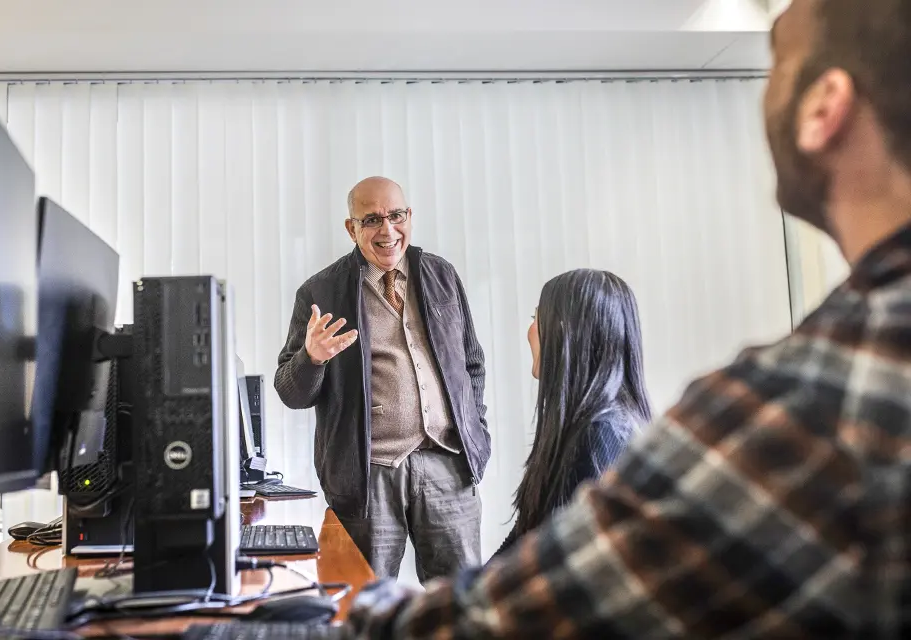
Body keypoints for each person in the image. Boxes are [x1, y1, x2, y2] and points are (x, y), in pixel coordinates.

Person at [345, 0, 911, 636]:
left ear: (823, 108)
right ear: (353, 228)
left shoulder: (802, 402)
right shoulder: (332, 290)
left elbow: (507, 616)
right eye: (371, 219)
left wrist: (331, 609)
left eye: (778, 49)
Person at [274, 176, 489, 582]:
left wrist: (476, 435)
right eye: (372, 220)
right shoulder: (320, 292)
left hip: (448, 466)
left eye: (396, 216)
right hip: (366, 477)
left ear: (409, 217)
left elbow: (472, 364)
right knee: (361, 601)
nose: (387, 230)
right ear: (351, 228)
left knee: (460, 606)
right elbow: (291, 392)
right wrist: (311, 358)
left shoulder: (441, 275)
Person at [491, 269, 651, 560]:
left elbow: (566, 561)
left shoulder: (601, 432)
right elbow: (525, 539)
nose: (530, 330)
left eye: (535, 318)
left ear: (566, 331)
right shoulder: (589, 424)